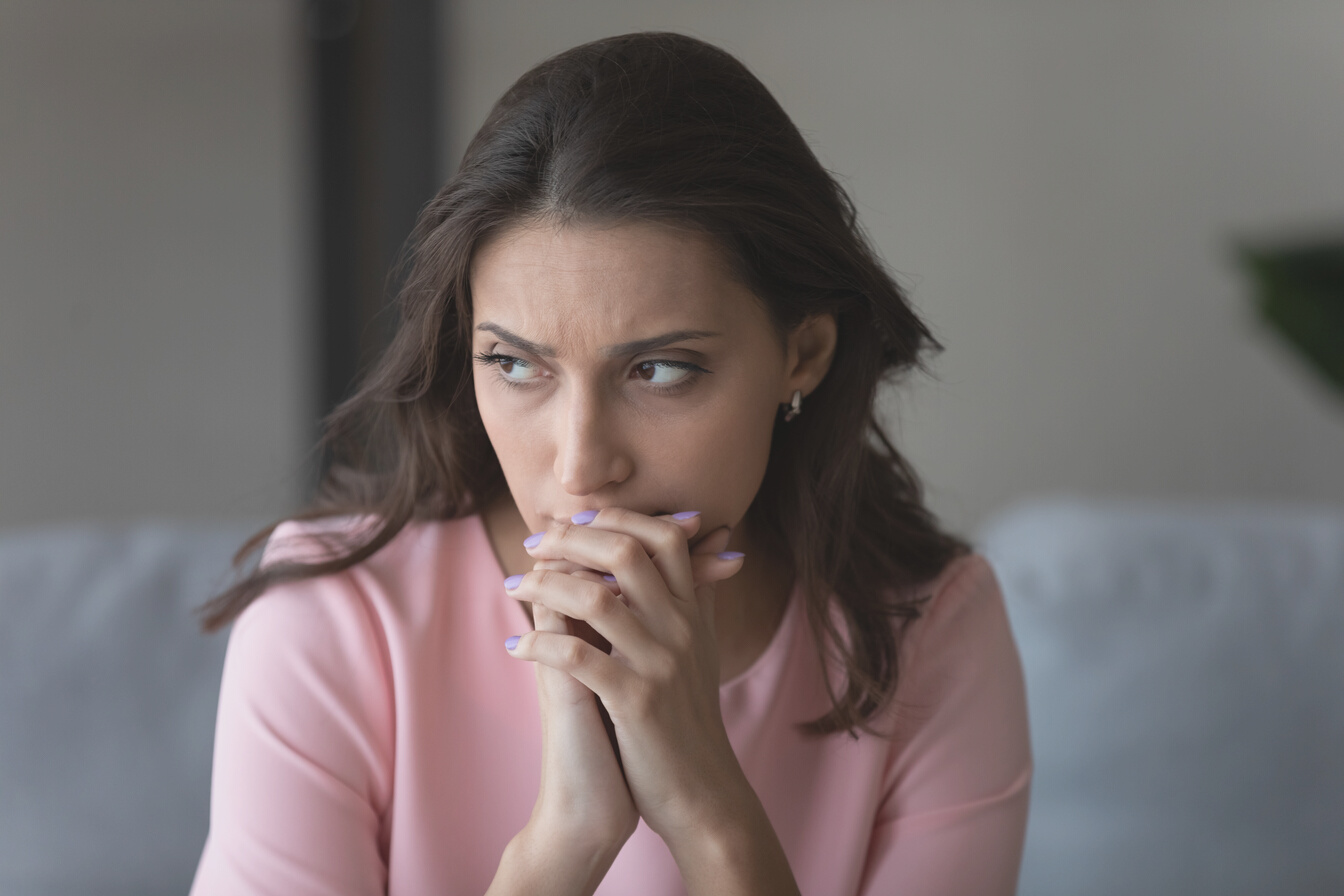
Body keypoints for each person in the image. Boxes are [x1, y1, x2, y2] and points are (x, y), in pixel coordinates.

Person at [189, 30, 1031, 896]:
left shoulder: (929, 636)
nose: (582, 465)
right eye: (517, 365)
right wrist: (564, 845)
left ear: (803, 352)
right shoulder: (330, 627)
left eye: (659, 370)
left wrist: (710, 812)